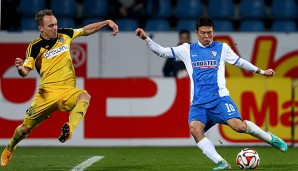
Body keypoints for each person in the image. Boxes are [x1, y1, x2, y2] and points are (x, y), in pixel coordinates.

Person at [135, 16, 288, 170]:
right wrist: (146, 39)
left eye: (210, 33)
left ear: (213, 32)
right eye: (203, 33)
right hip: (199, 104)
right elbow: (162, 52)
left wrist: (261, 71)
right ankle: (221, 162)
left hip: (219, 99)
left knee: (239, 127)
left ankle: (270, 138)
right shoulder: (187, 49)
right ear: (196, 32)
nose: (207, 36)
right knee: (195, 129)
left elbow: (239, 62)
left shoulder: (222, 48)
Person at [0, 9, 119, 167]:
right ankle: (10, 148)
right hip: (46, 94)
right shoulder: (35, 46)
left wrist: (106, 22)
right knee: (24, 129)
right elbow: (25, 72)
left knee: (85, 96)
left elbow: (85, 30)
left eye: (56, 24)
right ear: (41, 28)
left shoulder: (65, 34)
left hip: (67, 91)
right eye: (50, 26)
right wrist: (20, 68)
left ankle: (69, 129)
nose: (55, 28)